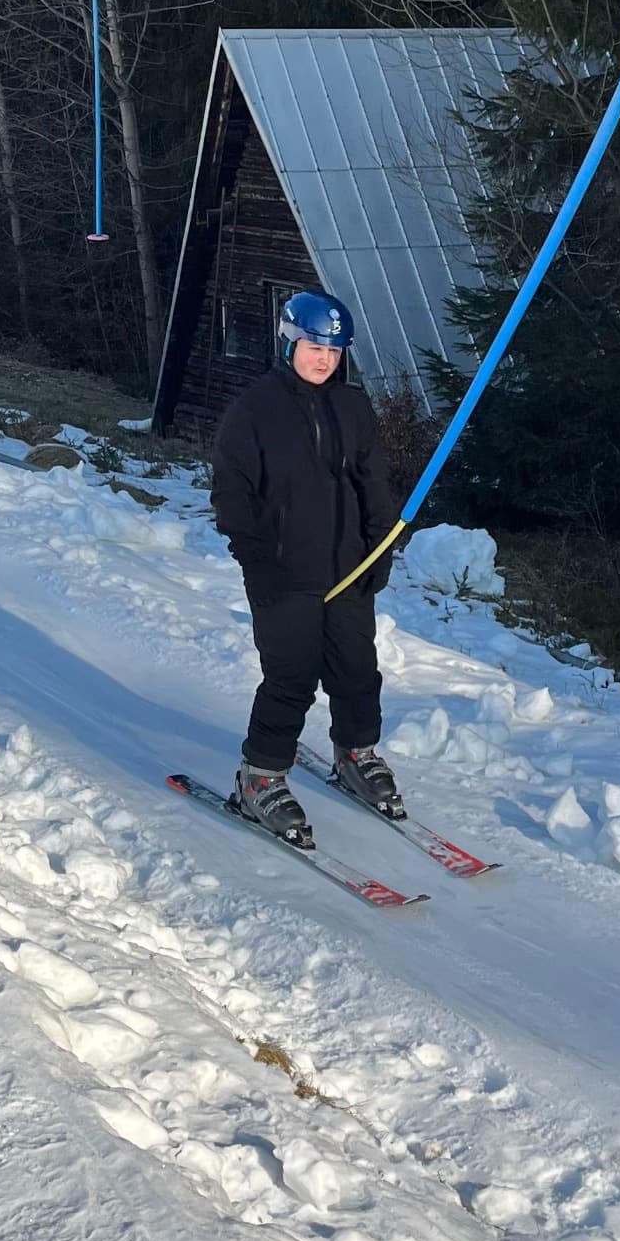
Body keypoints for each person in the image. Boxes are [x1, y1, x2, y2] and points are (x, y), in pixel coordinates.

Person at [210, 289, 404, 846]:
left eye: (335, 350)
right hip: (282, 569)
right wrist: (256, 562)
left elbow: (373, 482)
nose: (325, 359)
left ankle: (356, 753)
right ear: (289, 342)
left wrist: (380, 546)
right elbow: (232, 495)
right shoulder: (254, 412)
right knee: (291, 676)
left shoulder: (353, 408)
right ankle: (260, 777)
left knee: (357, 670)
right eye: (315, 347)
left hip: (348, 566)